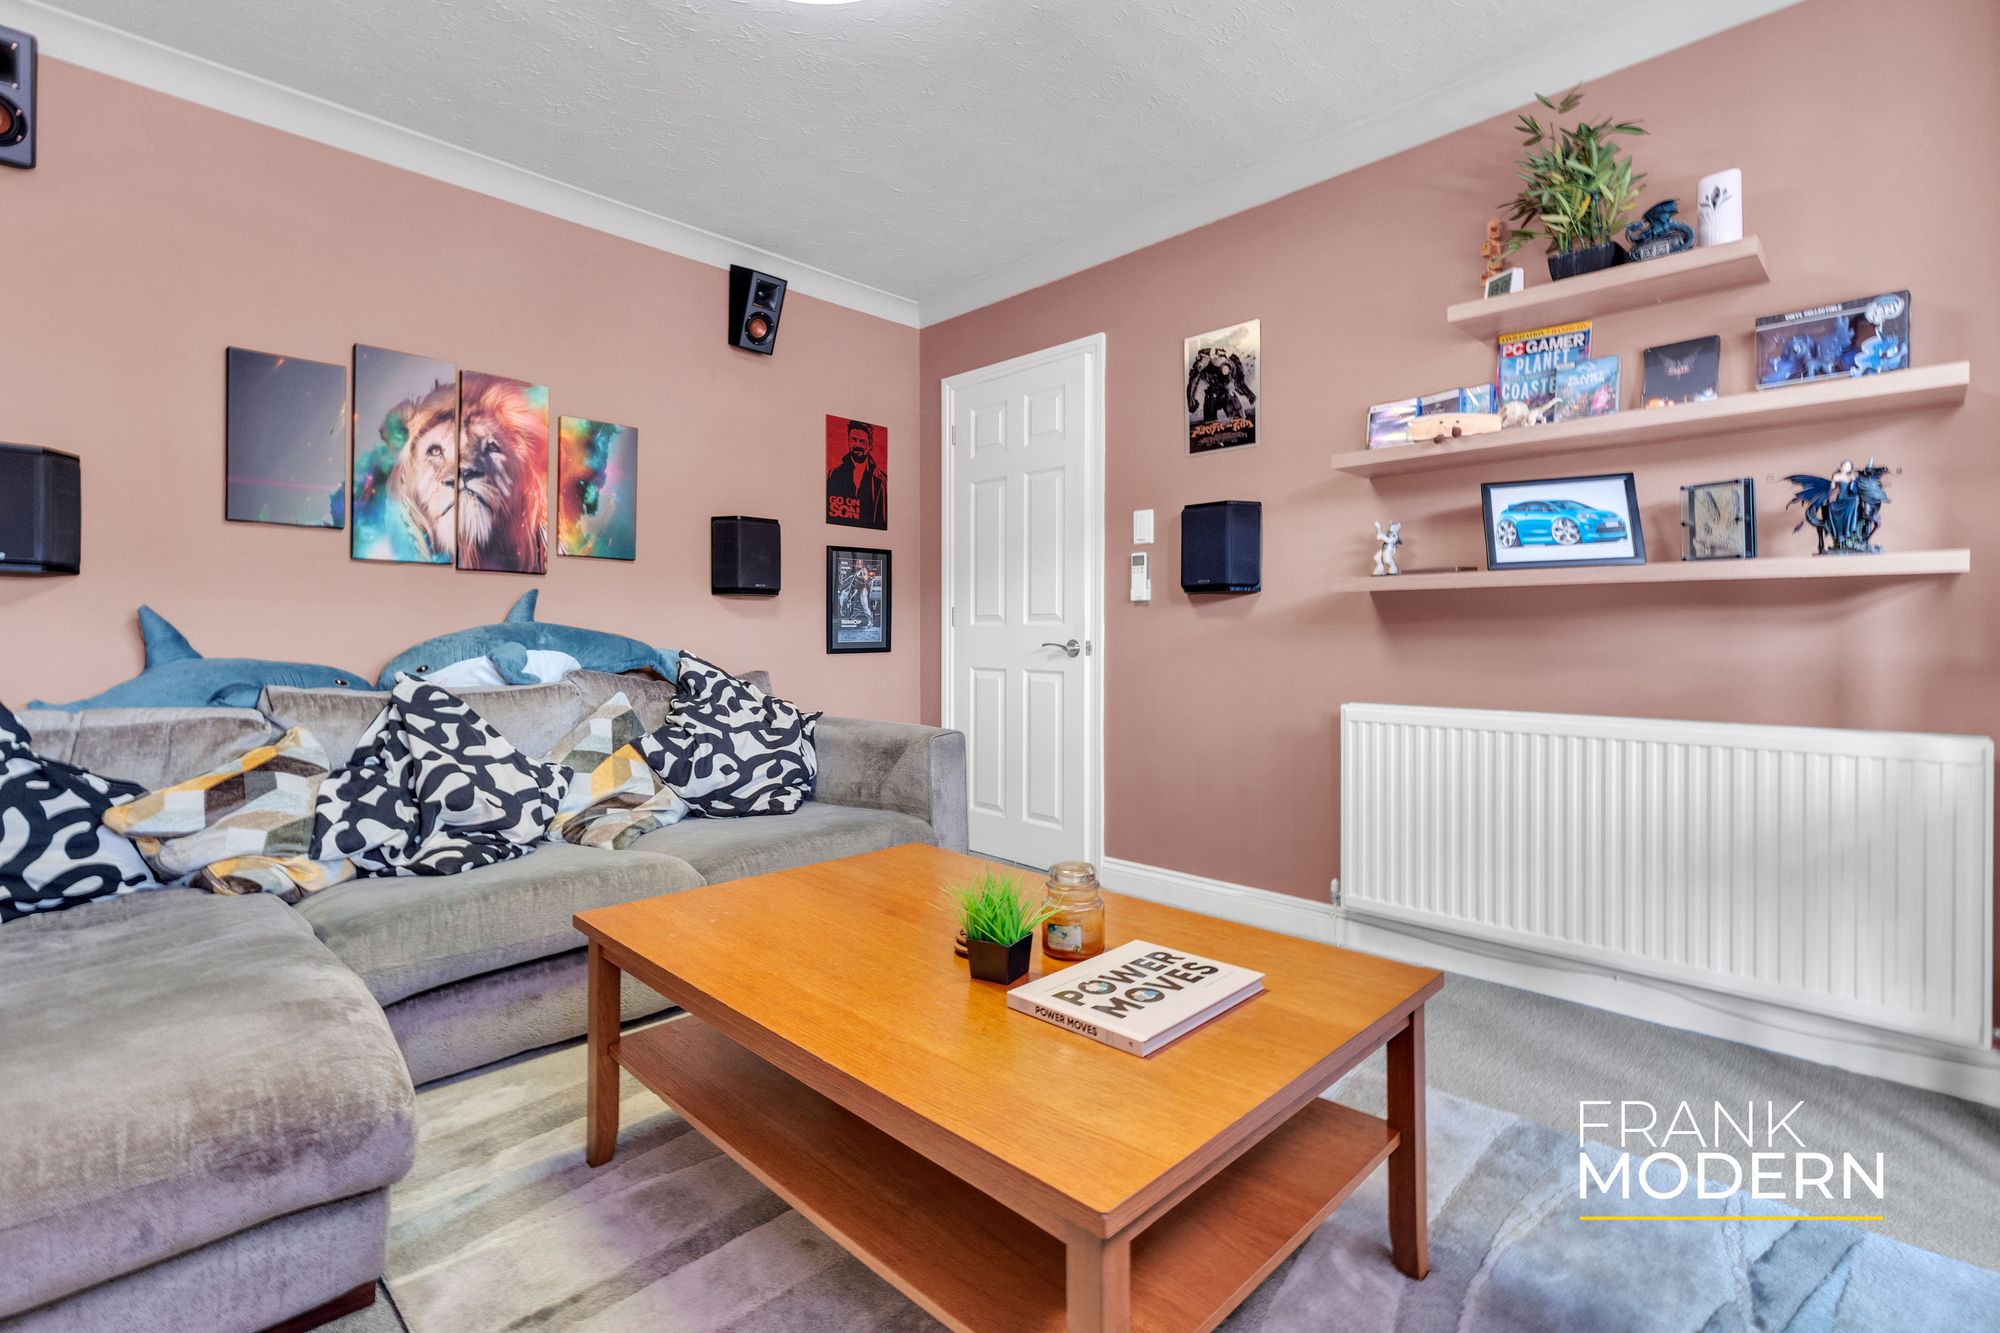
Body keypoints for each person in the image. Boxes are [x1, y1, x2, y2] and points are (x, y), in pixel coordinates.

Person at [827, 419, 887, 527]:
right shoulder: (834, 474)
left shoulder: (883, 480)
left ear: (870, 445)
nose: (857, 445)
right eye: (853, 439)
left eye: (862, 441)